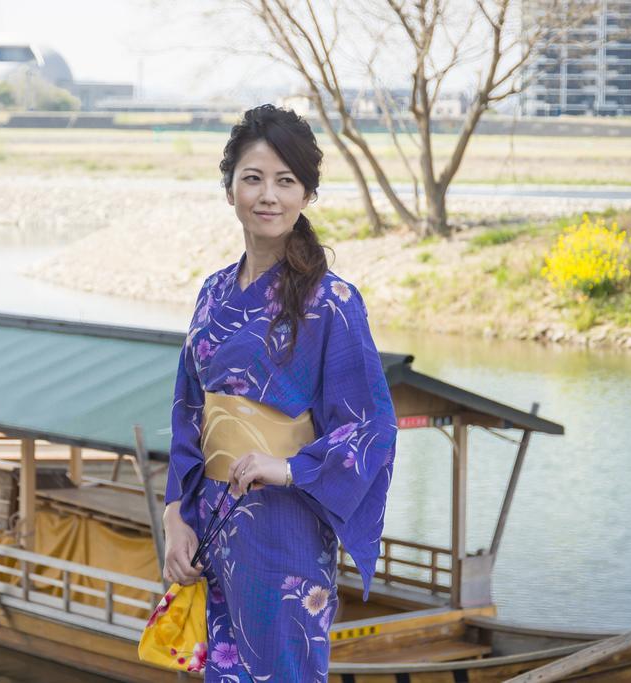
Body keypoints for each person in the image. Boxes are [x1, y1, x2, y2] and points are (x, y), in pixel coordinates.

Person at [161, 103, 399, 681]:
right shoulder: (213, 291)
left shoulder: (333, 302)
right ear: (230, 191)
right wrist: (174, 514)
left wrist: (287, 467)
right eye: (253, 178)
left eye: (286, 181)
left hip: (285, 526)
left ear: (305, 196)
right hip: (212, 522)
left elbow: (371, 426)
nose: (268, 195)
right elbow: (189, 413)